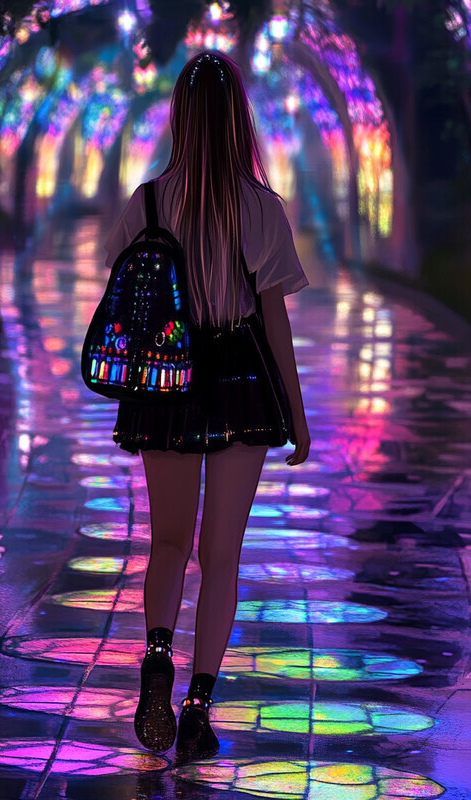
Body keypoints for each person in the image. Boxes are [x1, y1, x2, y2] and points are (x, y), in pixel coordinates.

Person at [102, 50, 311, 764]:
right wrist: (296, 409)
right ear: (238, 119)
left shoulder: (149, 201)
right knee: (222, 555)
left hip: (166, 382)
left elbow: (126, 292)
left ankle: (156, 654)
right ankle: (196, 707)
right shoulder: (258, 208)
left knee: (167, 542)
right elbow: (274, 321)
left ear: (180, 118)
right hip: (239, 382)